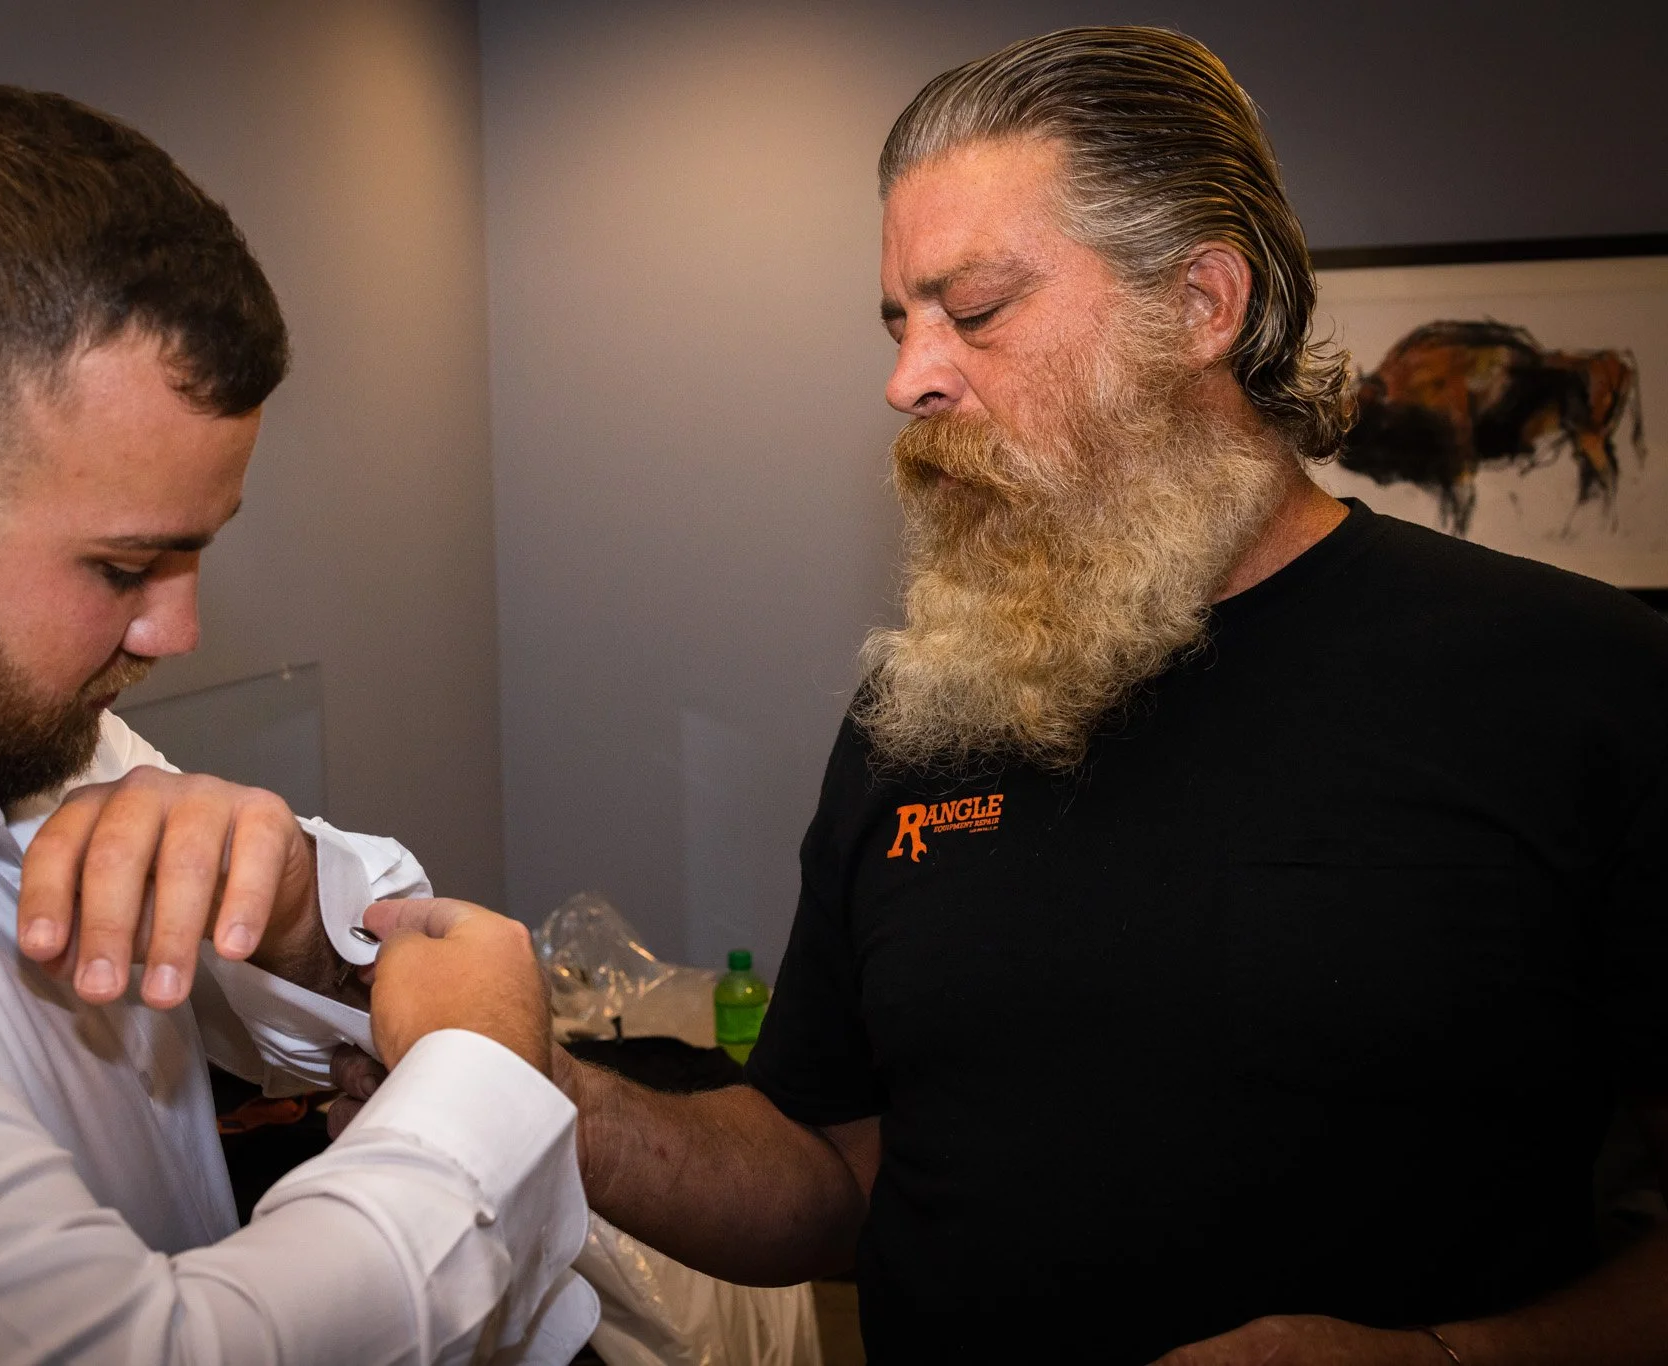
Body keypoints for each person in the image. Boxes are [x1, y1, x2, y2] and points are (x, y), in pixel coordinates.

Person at [537, 27, 1668, 1366]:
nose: (908, 379)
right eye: (900, 322)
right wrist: (542, 1101)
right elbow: (826, 1176)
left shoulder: (1579, 687)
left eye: (979, 308)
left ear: (1200, 305)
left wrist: (1442, 1358)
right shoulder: (922, 714)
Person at [0, 82, 593, 1364]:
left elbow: (316, 1000)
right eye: (125, 569)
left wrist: (299, 915)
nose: (173, 633)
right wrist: (479, 1068)